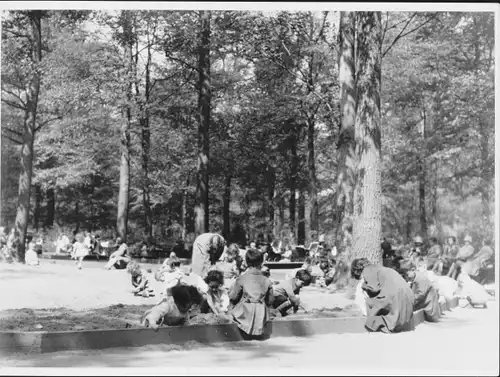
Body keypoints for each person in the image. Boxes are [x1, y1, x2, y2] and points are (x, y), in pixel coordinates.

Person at [351, 258, 415, 333]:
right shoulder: (379, 267)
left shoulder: (367, 270)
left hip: (397, 299)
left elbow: (374, 288)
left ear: (358, 271)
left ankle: (367, 317)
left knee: (363, 293)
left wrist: (364, 285)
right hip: (409, 301)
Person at [228, 248, 274, 338]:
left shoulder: (242, 278)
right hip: (262, 313)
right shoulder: (267, 280)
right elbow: (270, 300)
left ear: (247, 262)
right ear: (261, 262)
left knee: (231, 310)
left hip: (246, 312)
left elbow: (233, 298)